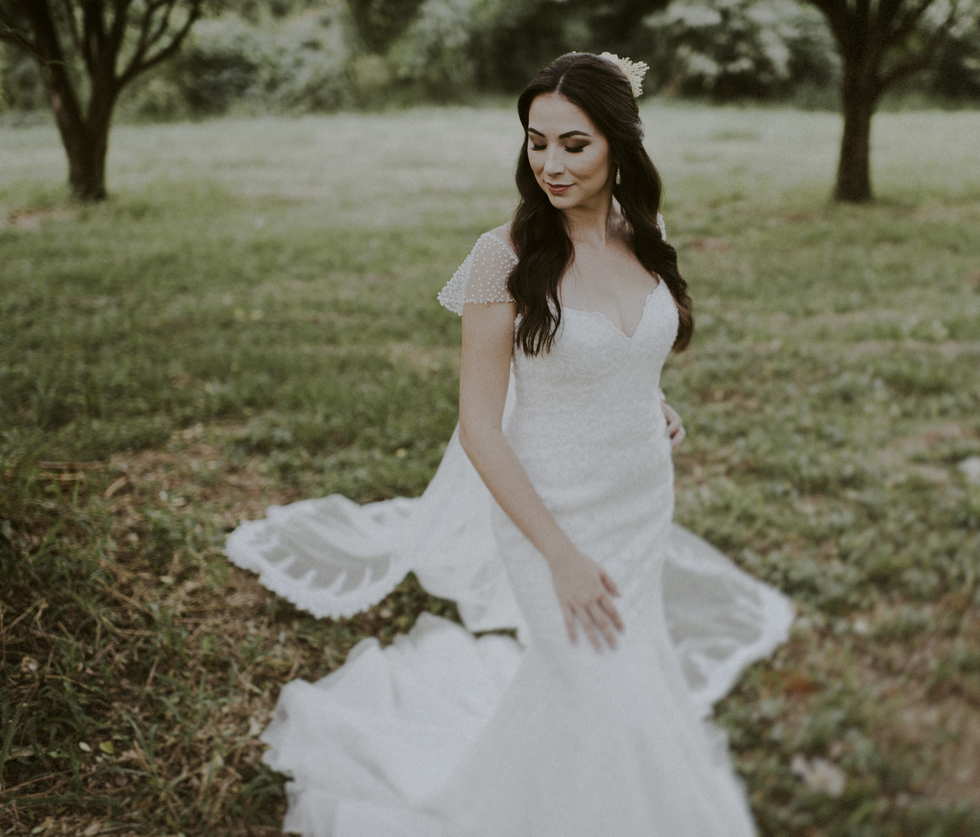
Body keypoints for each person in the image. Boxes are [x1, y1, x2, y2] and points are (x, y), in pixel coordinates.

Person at [226, 52, 793, 837]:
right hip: (549, 509)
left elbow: (628, 347)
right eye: (537, 142)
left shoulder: (646, 232)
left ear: (619, 146)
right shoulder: (504, 258)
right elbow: (480, 428)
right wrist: (558, 551)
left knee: (624, 671)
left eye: (574, 144)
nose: (551, 163)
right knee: (597, 677)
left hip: (638, 502)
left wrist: (650, 398)